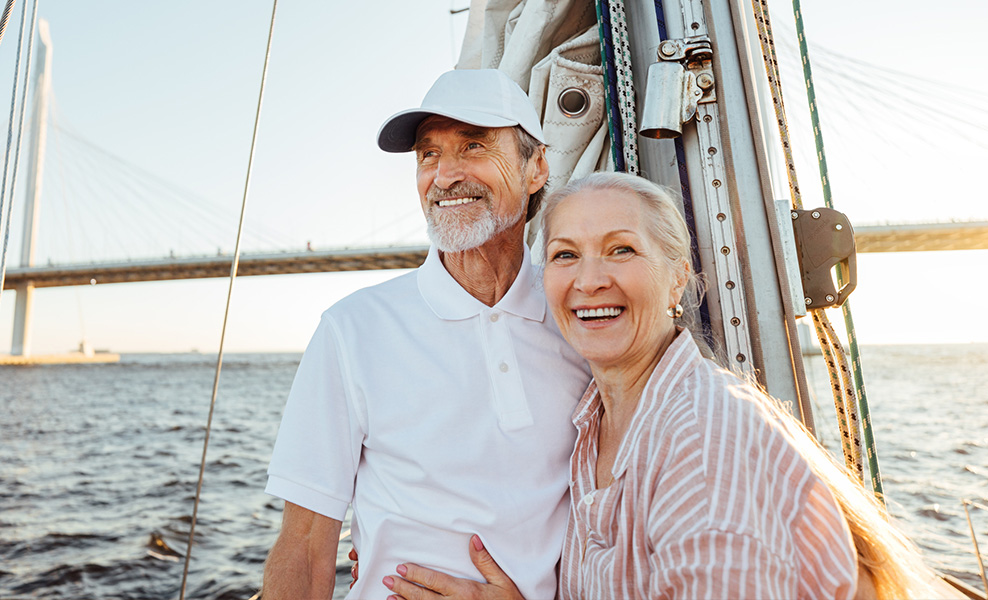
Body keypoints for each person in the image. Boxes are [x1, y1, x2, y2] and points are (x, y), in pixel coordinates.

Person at [381, 172, 937, 600]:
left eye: (622, 249)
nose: (589, 279)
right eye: (564, 254)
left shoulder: (703, 442)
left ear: (676, 276)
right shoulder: (592, 423)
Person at [259, 69, 591, 599]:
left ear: (536, 168)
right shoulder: (352, 330)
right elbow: (302, 545)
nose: (444, 176)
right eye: (428, 155)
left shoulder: (582, 322)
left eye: (474, 146)